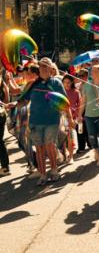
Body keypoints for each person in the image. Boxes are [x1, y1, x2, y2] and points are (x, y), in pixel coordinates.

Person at [6, 57, 68, 185]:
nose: (43, 69)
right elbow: (24, 100)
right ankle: (43, 174)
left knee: (49, 146)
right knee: (39, 148)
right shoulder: (34, 84)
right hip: (35, 121)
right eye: (41, 67)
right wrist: (14, 104)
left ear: (51, 69)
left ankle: (54, 171)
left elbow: (64, 103)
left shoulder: (56, 83)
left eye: (45, 67)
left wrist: (70, 119)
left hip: (51, 121)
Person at [80, 65, 99, 167]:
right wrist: (79, 115)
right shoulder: (86, 85)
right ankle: (96, 150)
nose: (93, 73)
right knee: (91, 136)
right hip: (89, 115)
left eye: (96, 71)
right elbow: (83, 101)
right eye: (92, 71)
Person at [62, 74, 82, 163]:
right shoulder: (60, 92)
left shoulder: (76, 92)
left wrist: (77, 117)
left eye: (68, 83)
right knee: (62, 138)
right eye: (65, 82)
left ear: (72, 83)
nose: (67, 84)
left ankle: (71, 157)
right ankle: (64, 155)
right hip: (60, 118)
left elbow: (80, 105)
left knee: (70, 138)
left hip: (72, 118)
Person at [0, 70, 10, 177]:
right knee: (0, 141)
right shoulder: (3, 83)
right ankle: (5, 166)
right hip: (2, 113)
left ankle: (5, 167)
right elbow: (6, 99)